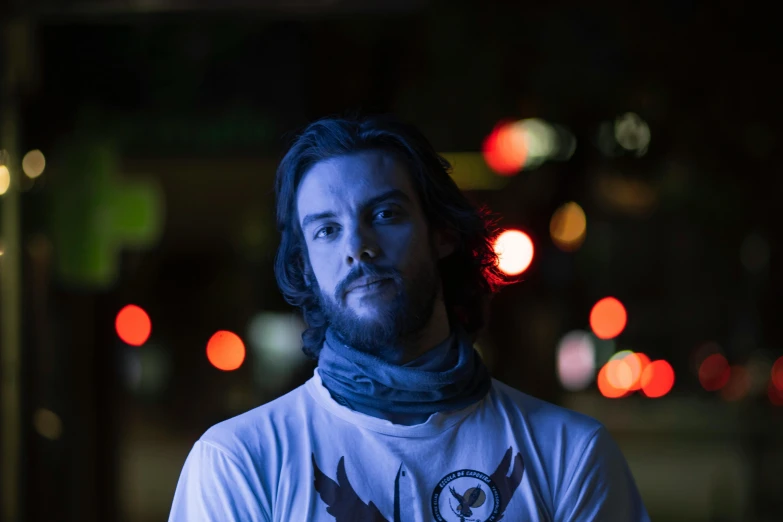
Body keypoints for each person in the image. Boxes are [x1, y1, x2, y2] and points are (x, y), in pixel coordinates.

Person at [168, 115, 650, 521]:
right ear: (305, 267)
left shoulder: (570, 454)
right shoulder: (239, 462)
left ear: (441, 233)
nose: (357, 248)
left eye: (384, 214)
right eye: (327, 230)